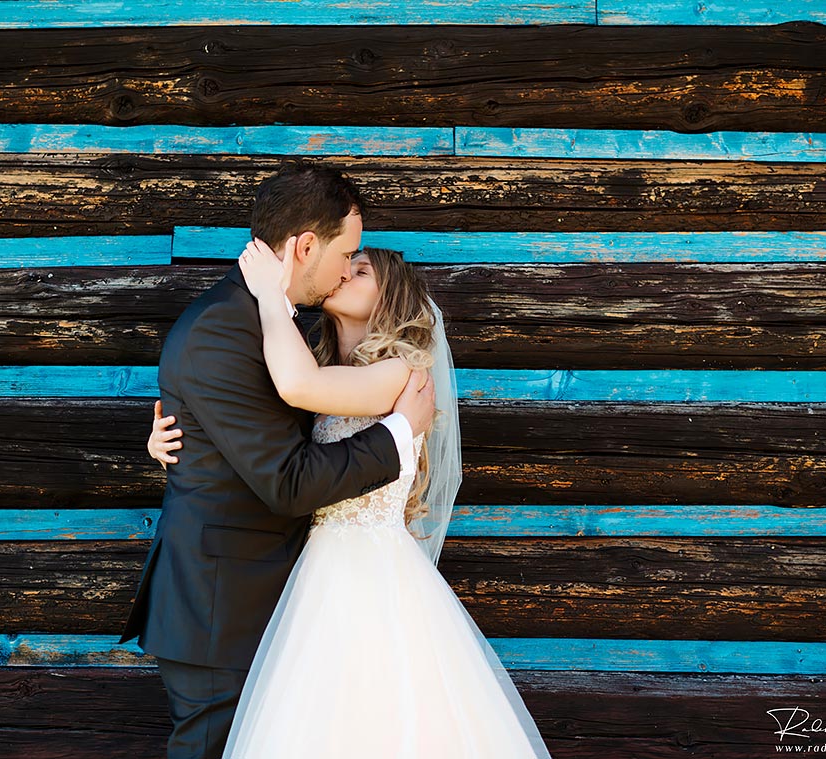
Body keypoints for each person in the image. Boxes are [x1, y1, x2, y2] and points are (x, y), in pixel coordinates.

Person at [149, 241, 554, 758]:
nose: (344, 272)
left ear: (391, 298)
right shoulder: (320, 366)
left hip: (368, 574)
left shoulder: (400, 373)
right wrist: (169, 440)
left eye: (361, 271)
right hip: (311, 572)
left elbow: (300, 385)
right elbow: (255, 436)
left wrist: (272, 298)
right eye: (347, 263)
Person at [118, 163, 436, 759]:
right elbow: (286, 479)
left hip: (288, 600)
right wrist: (397, 436)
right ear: (307, 246)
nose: (348, 268)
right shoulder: (224, 331)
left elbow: (275, 420)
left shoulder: (285, 331)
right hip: (221, 610)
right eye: (348, 253)